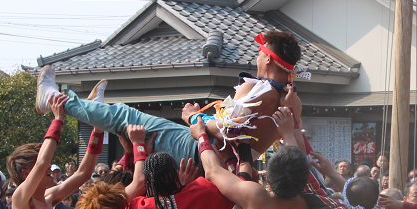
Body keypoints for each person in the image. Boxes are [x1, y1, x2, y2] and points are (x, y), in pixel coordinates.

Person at [35, 30, 303, 167]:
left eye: (259, 53)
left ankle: (56, 98)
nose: (256, 57)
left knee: (128, 117)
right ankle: (95, 109)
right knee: (126, 120)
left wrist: (194, 118)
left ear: (267, 57)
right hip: (228, 161)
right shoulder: (289, 98)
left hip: (206, 152)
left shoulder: (260, 90)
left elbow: (227, 129)